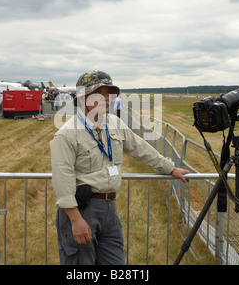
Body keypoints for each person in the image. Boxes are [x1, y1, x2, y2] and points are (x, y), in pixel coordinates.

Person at [50, 70, 189, 265]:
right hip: (82, 210)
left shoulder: (115, 124)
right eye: (100, 93)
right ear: (83, 98)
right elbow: (62, 179)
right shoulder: (67, 134)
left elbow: (140, 148)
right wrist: (75, 219)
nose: (107, 99)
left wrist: (170, 168)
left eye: (110, 94)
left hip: (109, 210)